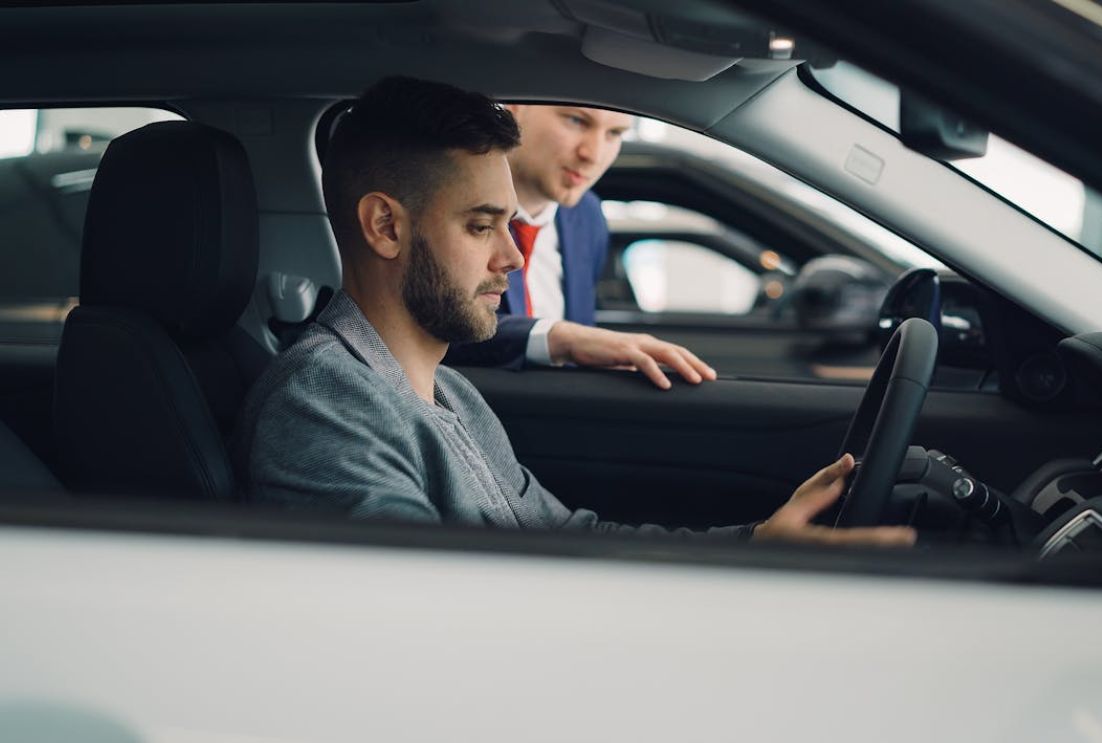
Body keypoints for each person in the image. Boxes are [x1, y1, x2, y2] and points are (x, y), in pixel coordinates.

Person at [234, 76, 914, 547]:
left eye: (510, 225)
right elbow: (429, 615)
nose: (511, 256)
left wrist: (757, 544)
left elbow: (562, 538)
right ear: (385, 226)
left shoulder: (452, 395)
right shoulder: (322, 404)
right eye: (480, 226)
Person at [442, 104, 712, 390]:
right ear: (515, 109)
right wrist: (559, 338)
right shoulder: (450, 200)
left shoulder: (587, 216)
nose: (593, 155)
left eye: (615, 133)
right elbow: (432, 326)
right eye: (576, 121)